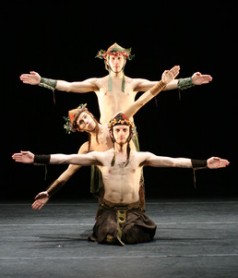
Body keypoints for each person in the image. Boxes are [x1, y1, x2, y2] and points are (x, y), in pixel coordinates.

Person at [12, 113, 229, 246]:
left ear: (130, 132)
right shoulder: (101, 157)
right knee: (109, 234)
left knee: (131, 234)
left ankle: (130, 227)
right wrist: (35, 159)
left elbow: (172, 162)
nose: (122, 133)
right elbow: (66, 158)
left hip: (134, 211)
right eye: (118, 130)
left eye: (125, 130)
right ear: (113, 133)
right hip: (109, 210)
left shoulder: (141, 158)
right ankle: (109, 227)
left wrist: (204, 163)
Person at [24, 65, 180, 211]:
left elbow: (140, 102)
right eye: (81, 122)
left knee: (134, 225)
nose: (86, 122)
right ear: (79, 129)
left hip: (130, 182)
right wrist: (49, 192)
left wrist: (162, 83)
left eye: (85, 117)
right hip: (110, 189)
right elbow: (69, 171)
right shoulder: (87, 147)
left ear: (91, 114)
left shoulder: (114, 123)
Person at [19, 42, 213, 125]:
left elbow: (162, 84)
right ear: (107, 61)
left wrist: (190, 81)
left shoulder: (133, 83)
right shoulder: (98, 83)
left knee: (133, 176)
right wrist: (41, 81)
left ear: (125, 60)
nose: (116, 61)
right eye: (113, 58)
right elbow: (69, 86)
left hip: (127, 131)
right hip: (104, 131)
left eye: (120, 58)